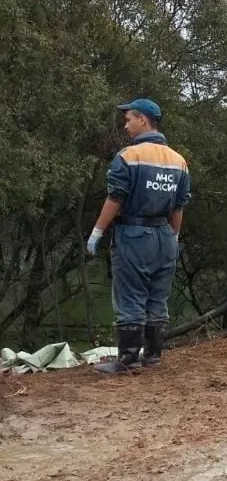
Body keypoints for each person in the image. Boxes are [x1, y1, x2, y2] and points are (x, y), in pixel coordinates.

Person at [85, 98, 191, 374]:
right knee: (157, 296)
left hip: (134, 234)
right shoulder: (178, 161)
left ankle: (128, 359)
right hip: (164, 236)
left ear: (143, 119)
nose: (126, 124)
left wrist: (97, 231)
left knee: (130, 295)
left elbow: (115, 198)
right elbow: (179, 206)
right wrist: (174, 238)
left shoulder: (129, 157)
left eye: (129, 118)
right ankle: (153, 356)